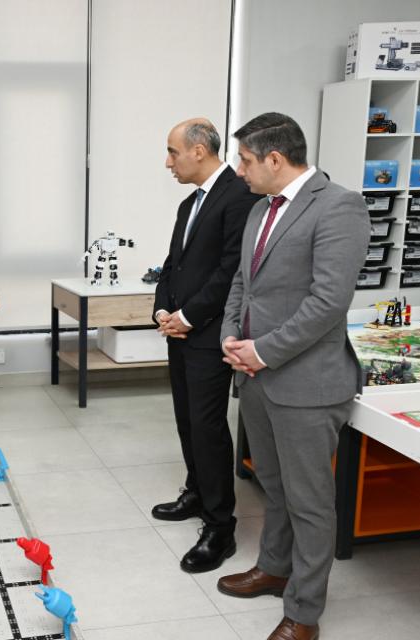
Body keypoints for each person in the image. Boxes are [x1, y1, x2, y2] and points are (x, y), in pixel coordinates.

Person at [218, 113, 369, 640]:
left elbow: (328, 302)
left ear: (275, 159)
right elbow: (244, 284)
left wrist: (263, 351)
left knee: (309, 502)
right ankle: (274, 568)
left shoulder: (339, 207)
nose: (240, 171)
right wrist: (231, 338)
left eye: (245, 160)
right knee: (273, 486)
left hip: (307, 384)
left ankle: (304, 613)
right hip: (257, 377)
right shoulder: (261, 209)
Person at [153, 119, 261, 573]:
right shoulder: (189, 203)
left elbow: (231, 271)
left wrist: (190, 316)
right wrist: (163, 309)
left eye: (173, 151)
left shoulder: (239, 197)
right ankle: (196, 492)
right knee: (186, 420)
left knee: (208, 426)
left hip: (211, 333)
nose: (168, 162)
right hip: (180, 332)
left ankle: (220, 526)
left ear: (199, 151)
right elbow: (173, 264)